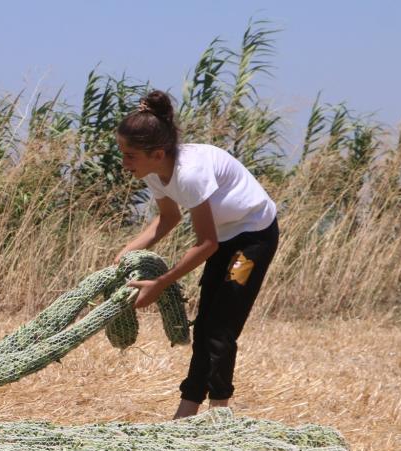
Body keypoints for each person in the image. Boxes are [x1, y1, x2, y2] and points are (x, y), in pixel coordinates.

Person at [113, 90, 279, 419]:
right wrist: (125, 254)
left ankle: (219, 415)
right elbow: (168, 218)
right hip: (225, 236)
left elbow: (206, 244)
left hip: (253, 236)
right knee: (204, 324)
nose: (124, 163)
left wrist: (160, 282)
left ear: (157, 152)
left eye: (130, 155)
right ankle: (187, 412)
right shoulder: (154, 171)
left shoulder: (188, 174)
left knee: (221, 326)